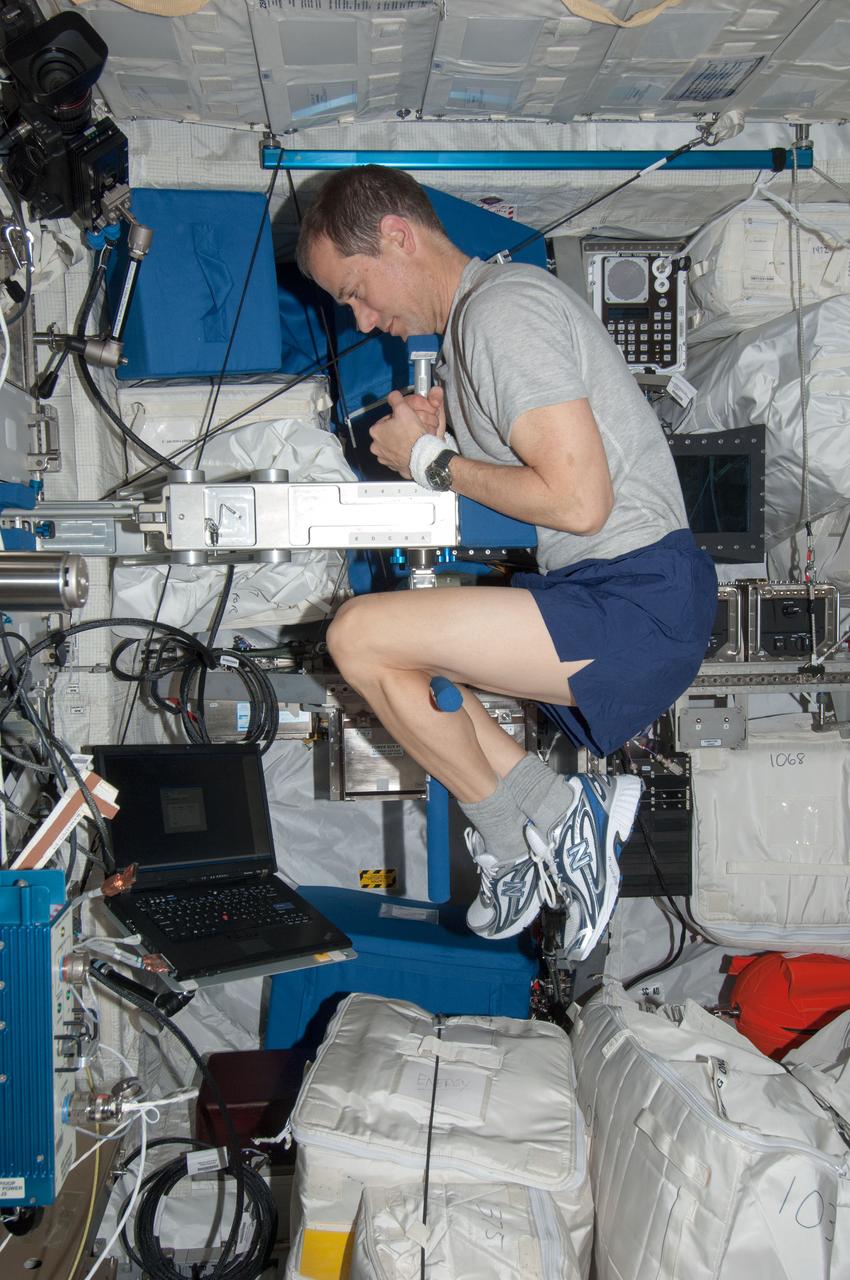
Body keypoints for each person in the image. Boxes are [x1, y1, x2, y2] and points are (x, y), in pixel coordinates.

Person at [296, 165, 717, 957]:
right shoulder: (476, 330)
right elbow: (544, 483)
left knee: (358, 635)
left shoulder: (502, 313)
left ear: (396, 236)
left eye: (355, 290)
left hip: (638, 597)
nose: (362, 317)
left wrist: (431, 460)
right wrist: (448, 438)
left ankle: (533, 828)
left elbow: (578, 502)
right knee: (404, 666)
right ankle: (547, 820)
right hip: (629, 594)